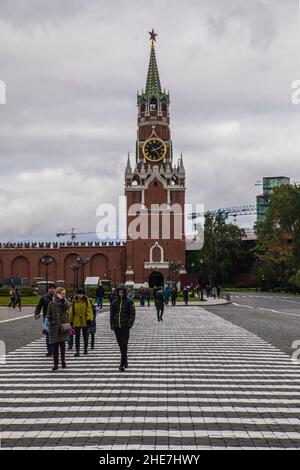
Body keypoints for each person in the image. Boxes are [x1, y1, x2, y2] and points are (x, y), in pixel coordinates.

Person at [110, 285, 135, 371]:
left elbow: (132, 313)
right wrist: (112, 324)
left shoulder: (129, 302)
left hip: (125, 326)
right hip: (117, 326)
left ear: (124, 292)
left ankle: (122, 363)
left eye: (122, 292)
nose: (120, 294)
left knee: (124, 343)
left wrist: (130, 323)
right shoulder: (114, 302)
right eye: (119, 292)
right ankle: (125, 358)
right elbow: (112, 314)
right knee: (120, 344)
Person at [47, 287, 70, 371]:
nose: (64, 295)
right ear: (57, 293)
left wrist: (62, 299)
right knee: (54, 347)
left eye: (64, 294)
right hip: (54, 327)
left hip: (63, 327)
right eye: (62, 294)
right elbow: (48, 314)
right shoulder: (51, 303)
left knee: (62, 346)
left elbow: (67, 306)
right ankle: (55, 363)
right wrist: (51, 321)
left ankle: (63, 361)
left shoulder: (65, 302)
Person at [69, 288, 93, 357]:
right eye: (78, 294)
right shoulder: (74, 302)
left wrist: (89, 319)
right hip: (76, 321)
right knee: (77, 337)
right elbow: (72, 312)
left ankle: (85, 348)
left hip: (85, 321)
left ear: (83, 294)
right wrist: (70, 321)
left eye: (80, 294)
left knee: (85, 336)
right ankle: (77, 351)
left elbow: (89, 311)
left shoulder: (86, 302)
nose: (79, 295)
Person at [35, 283, 56, 357]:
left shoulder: (58, 297)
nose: (52, 289)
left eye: (53, 288)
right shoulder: (44, 297)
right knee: (48, 335)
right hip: (47, 319)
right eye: (50, 288)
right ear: (48, 289)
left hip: (57, 319)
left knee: (56, 334)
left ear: (55, 289)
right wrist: (37, 314)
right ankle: (50, 351)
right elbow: (39, 306)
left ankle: (55, 350)